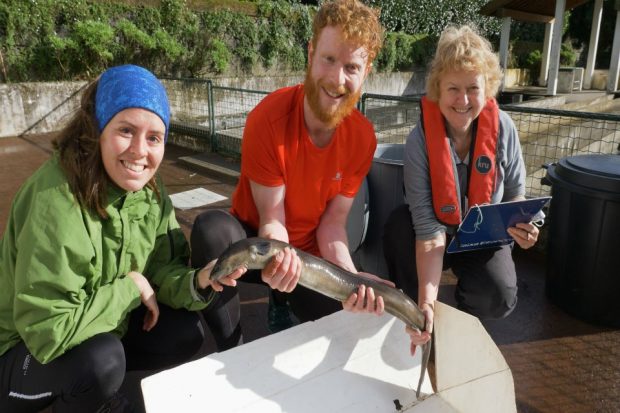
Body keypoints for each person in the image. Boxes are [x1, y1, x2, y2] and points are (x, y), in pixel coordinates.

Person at [0, 64, 244, 413]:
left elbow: (161, 267)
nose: (140, 152)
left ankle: (93, 389)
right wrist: (131, 287)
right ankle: (88, 396)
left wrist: (199, 280)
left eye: (154, 138)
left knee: (184, 333)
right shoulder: (55, 200)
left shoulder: (149, 190)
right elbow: (46, 331)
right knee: (102, 362)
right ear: (96, 128)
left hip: (90, 323)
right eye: (126, 130)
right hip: (19, 351)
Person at [193, 0, 388, 339]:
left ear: (366, 71)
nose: (337, 79)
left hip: (310, 253)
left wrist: (350, 278)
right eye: (328, 59)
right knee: (212, 232)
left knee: (349, 312)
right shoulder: (268, 119)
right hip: (257, 240)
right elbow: (272, 218)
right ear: (311, 54)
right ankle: (232, 343)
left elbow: (332, 225)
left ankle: (282, 299)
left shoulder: (363, 137)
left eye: (352, 67)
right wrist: (280, 262)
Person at [382, 25, 539, 354]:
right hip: (436, 234)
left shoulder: (504, 129)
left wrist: (526, 226)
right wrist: (427, 299)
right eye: (453, 88)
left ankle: (460, 319)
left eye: (473, 88)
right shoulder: (419, 141)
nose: (463, 100)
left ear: (489, 89)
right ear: (437, 88)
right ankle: (418, 312)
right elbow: (427, 230)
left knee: (500, 295)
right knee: (399, 226)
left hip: (482, 236)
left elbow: (516, 194)